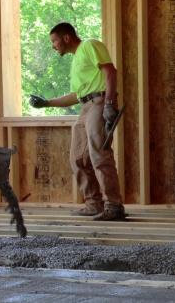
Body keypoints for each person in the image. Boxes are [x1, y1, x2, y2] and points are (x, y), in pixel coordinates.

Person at [29, 22, 125, 221]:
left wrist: (109, 103)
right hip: (86, 106)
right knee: (77, 158)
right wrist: (46, 103)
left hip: (99, 102)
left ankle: (114, 206)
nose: (53, 46)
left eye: (54, 41)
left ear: (66, 38)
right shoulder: (76, 61)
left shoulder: (90, 45)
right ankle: (93, 204)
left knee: (99, 154)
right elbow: (76, 96)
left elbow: (110, 71)